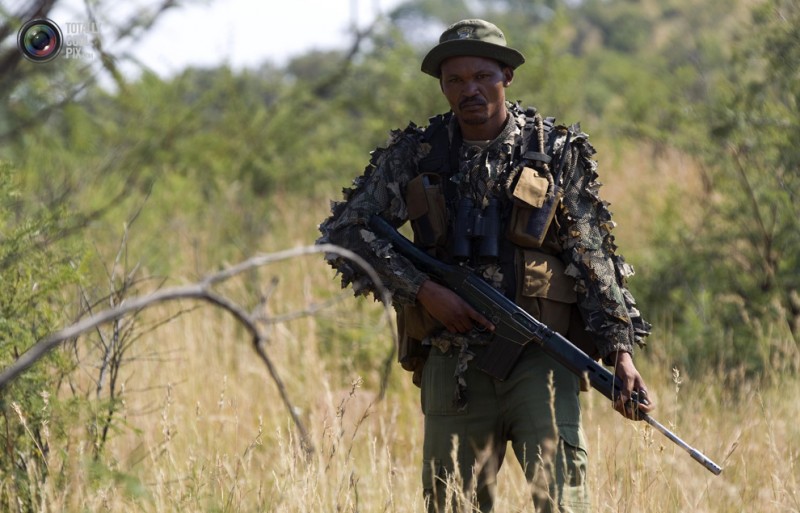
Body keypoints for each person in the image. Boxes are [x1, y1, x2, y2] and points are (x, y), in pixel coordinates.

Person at [318, 18, 654, 513]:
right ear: (442, 86)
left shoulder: (554, 150)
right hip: (451, 359)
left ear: (506, 77)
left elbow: (593, 254)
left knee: (562, 499)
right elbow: (345, 233)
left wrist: (621, 351)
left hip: (541, 355)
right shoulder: (416, 153)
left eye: (482, 77)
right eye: (455, 80)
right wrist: (422, 290)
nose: (469, 90)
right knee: (452, 503)